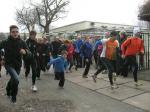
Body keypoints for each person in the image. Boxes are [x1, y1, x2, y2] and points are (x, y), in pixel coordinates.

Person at [0, 25, 30, 103]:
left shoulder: (22, 42)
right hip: (8, 64)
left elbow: (29, 53)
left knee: (13, 78)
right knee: (16, 79)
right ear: (10, 33)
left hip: (18, 64)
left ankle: (8, 88)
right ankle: (13, 96)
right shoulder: (5, 42)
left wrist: (25, 51)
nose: (15, 33)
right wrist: (1, 59)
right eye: (13, 32)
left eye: (16, 31)